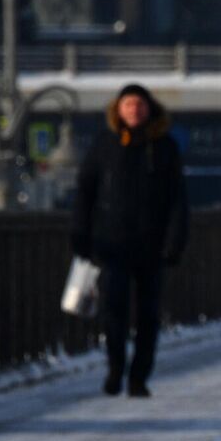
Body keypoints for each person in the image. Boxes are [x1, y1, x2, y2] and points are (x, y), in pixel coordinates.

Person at [72, 82, 189, 399]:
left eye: (139, 105)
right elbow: (85, 191)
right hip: (111, 244)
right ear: (118, 110)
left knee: (149, 316)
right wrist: (81, 235)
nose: (134, 110)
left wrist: (175, 241)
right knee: (114, 311)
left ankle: (139, 377)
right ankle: (115, 369)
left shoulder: (164, 147)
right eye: (128, 105)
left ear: (149, 109)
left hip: (152, 246)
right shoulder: (105, 146)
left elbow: (178, 199)